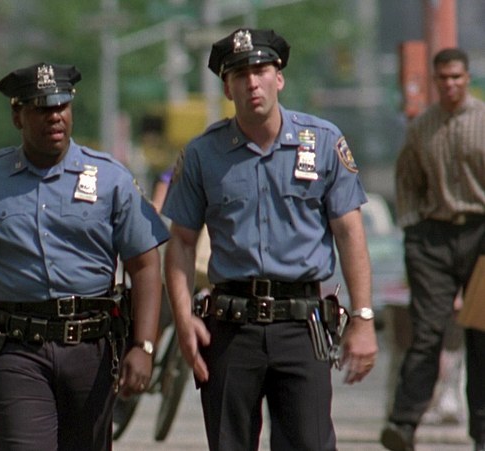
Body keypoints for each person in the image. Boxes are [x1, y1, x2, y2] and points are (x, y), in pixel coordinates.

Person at [0, 62, 168, 450]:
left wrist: (144, 346)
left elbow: (145, 264)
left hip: (92, 350)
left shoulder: (111, 180)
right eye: (41, 108)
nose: (54, 116)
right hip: (13, 350)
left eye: (61, 106)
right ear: (18, 116)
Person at [162, 28, 379, 450]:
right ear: (227, 88)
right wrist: (183, 318)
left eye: (261, 71)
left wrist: (363, 318)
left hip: (302, 326)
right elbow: (182, 241)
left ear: (279, 78)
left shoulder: (323, 142)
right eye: (239, 75)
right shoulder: (202, 154)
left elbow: (350, 232)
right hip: (230, 328)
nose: (252, 83)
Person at [382, 47, 485, 451]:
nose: (450, 84)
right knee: (427, 332)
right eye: (443, 78)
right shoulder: (421, 127)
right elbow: (406, 180)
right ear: (434, 80)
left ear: (467, 78)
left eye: (456, 77)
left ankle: (482, 432)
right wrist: (412, 227)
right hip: (433, 237)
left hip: (480, 235)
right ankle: (403, 424)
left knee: (480, 333)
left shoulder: (482, 120)